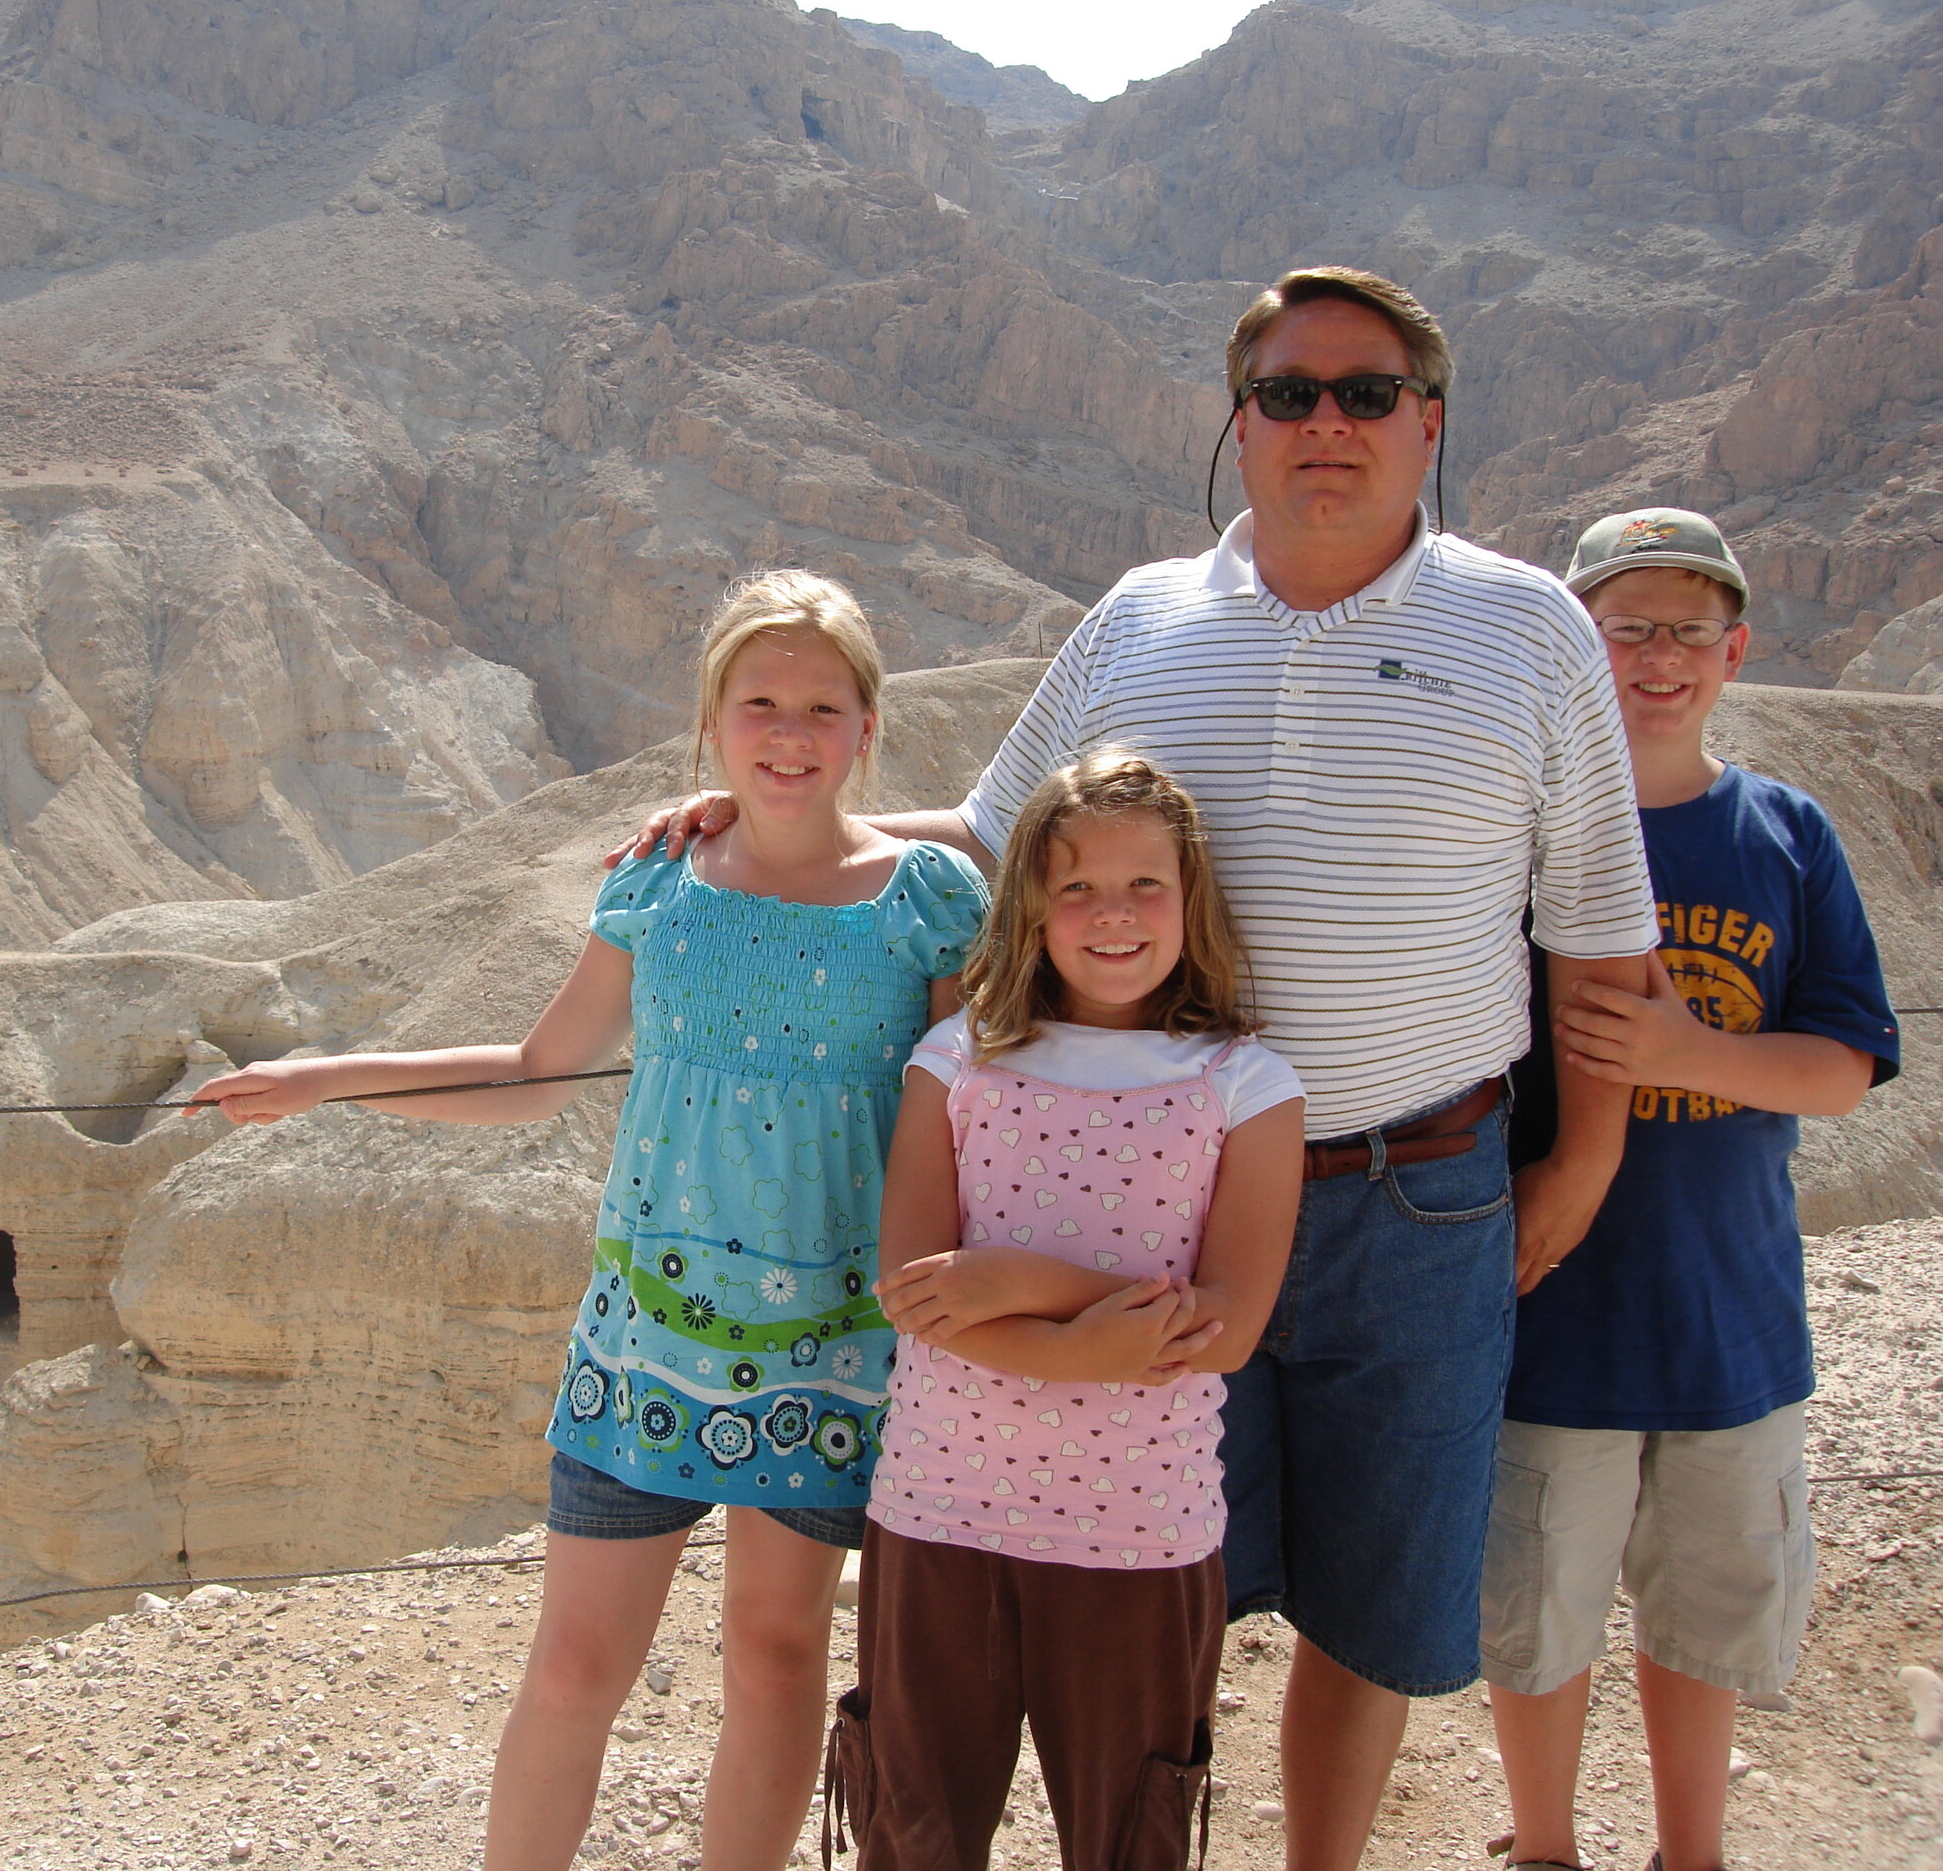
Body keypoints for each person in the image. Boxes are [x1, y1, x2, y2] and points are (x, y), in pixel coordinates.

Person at [623, 267, 1657, 1870]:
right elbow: (991, 837)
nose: (1328, 422)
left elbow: (1598, 929)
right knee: (1150, 1579)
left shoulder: (1527, 628)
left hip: (1422, 1194)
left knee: (1374, 1604)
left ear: (1431, 421)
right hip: (1125, 1195)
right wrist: (772, 827)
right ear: (1237, 419)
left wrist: (1578, 1168)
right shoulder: (1139, 619)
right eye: (1289, 390)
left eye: (1367, 393)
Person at [191, 570, 987, 1871]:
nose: (790, 731)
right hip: (645, 1341)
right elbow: (535, 1073)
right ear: (713, 721)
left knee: (776, 1653)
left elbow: (966, 1111)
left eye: (822, 706)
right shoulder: (659, 886)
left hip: (833, 1344)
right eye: (760, 701)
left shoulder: (926, 902)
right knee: (573, 1663)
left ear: (867, 728)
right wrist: (325, 1075)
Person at [1482, 510, 1899, 1871]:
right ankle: (1542, 1843)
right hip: (1557, 1313)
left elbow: (1843, 1065)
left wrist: (1689, 1052)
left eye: (1685, 626)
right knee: (1541, 1609)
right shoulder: (1517, 833)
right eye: (1625, 625)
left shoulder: (1784, 829)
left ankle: (1691, 1849)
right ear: (1574, 646)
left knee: (1703, 1610)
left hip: (1732, 1314)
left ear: (1737, 649)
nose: (1657, 655)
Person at [825, 748, 1305, 1870]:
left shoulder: (1244, 1084)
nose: (1112, 914)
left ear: (1192, 900)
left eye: (1144, 885)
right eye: (1074, 888)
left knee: (1127, 1833)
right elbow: (914, 1293)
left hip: (1138, 1531)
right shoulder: (960, 1059)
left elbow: (1225, 1328)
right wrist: (1094, 1342)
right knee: (915, 1824)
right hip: (942, 1509)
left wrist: (1025, 1284)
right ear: (1029, 911)